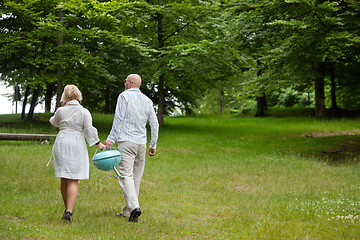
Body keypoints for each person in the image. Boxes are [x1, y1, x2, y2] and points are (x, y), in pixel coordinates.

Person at [105, 74, 159, 222]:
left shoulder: (124, 96)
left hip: (126, 141)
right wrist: (153, 144)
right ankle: (128, 211)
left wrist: (111, 138)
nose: (124, 83)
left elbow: (119, 118)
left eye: (125, 81)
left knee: (125, 175)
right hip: (141, 143)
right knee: (136, 176)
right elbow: (154, 124)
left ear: (129, 83)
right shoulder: (147, 100)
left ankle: (134, 207)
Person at [50, 85, 105, 222]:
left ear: (65, 96)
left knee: (64, 177)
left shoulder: (61, 111)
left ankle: (66, 209)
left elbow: (54, 122)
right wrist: (98, 144)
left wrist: (62, 107)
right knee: (73, 178)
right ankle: (69, 210)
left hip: (62, 142)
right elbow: (89, 129)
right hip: (76, 143)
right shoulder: (84, 112)